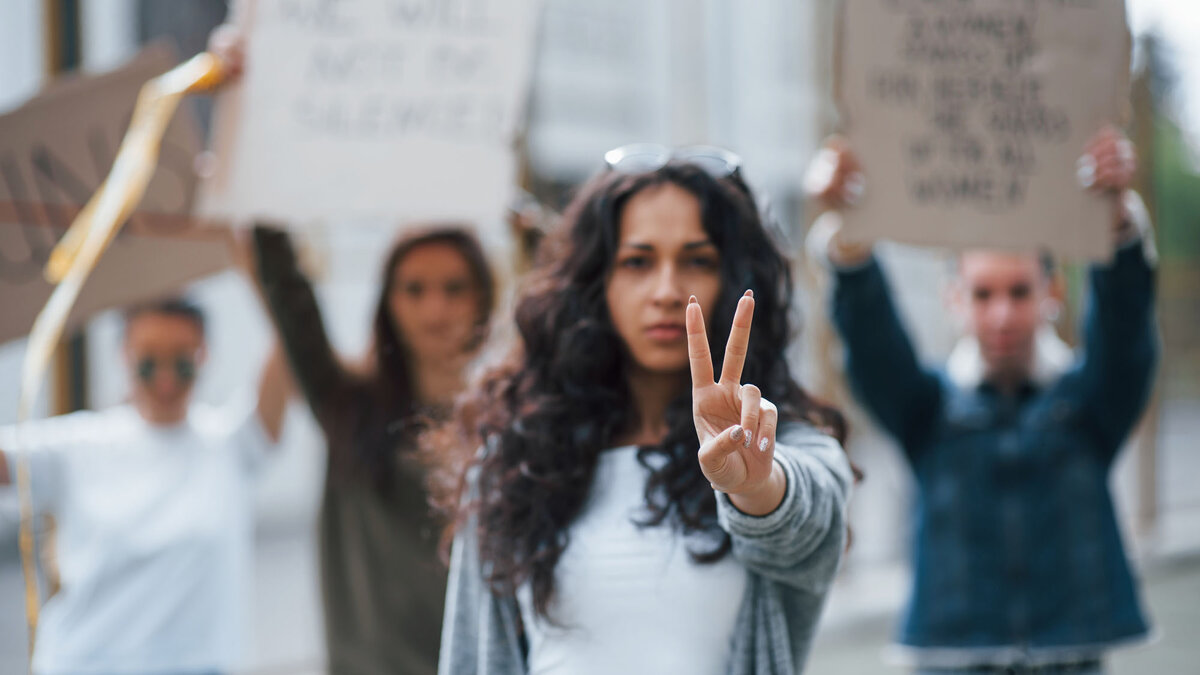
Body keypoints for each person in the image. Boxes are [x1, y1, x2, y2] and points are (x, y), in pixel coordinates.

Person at [435, 148, 855, 675]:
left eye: (696, 260)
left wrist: (754, 487)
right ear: (596, 282)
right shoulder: (517, 459)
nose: (665, 290)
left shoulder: (781, 445)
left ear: (734, 279)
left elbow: (809, 518)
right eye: (637, 262)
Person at [808, 126, 1158, 674]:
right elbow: (872, 341)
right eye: (982, 293)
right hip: (951, 657)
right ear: (954, 299)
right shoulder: (926, 408)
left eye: (1019, 291)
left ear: (1052, 294)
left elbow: (1125, 327)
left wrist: (1115, 220)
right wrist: (849, 234)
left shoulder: (1089, 406)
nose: (1001, 314)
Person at [252, 222, 496, 675]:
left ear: (483, 297)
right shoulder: (348, 409)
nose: (435, 309)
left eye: (454, 288)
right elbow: (289, 297)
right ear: (388, 302)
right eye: (414, 290)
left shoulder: (506, 423)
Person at [0, 297, 290, 675]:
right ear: (125, 355)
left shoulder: (232, 443)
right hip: (85, 663)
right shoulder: (83, 445)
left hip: (198, 665)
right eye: (149, 361)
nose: (165, 378)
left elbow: (291, 346)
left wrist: (265, 275)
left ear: (204, 355)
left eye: (182, 360)